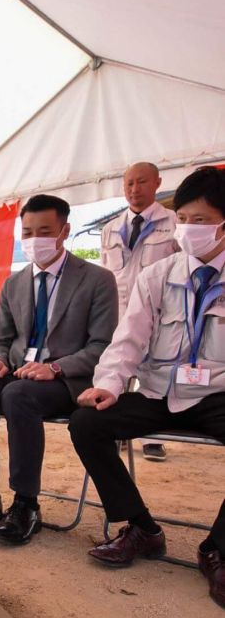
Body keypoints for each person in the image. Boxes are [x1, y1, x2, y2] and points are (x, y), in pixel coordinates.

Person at [69, 166, 225, 609]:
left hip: (216, 395)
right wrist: (110, 385)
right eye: (185, 220)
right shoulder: (157, 275)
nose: (189, 230)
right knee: (87, 423)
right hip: (159, 391)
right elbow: (129, 340)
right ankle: (142, 528)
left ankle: (217, 548)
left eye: (201, 221)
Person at [0, 194, 118, 545]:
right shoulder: (14, 283)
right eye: (27, 232)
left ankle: (26, 503)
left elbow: (103, 346)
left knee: (17, 394)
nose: (34, 240)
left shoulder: (98, 280)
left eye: (44, 231)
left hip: (66, 380)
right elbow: (1, 338)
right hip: (19, 372)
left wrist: (55, 367)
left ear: (64, 231)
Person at [100, 161, 177, 462]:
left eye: (142, 182)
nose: (134, 190)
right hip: (119, 312)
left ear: (157, 183)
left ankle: (150, 439)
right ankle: (118, 430)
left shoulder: (173, 224)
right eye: (129, 183)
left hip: (161, 312)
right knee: (117, 368)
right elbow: (107, 275)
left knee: (152, 372)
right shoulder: (110, 229)